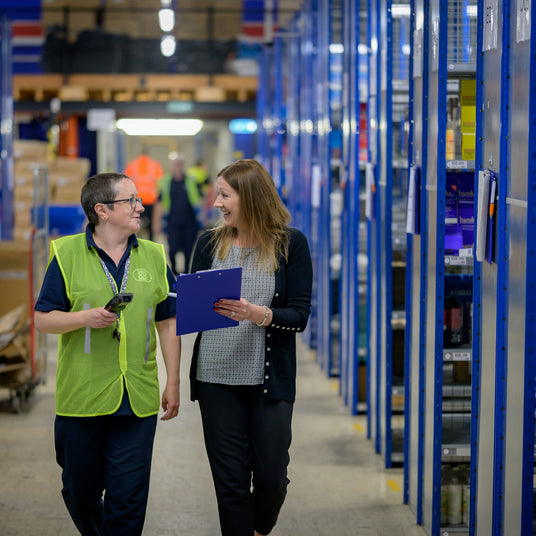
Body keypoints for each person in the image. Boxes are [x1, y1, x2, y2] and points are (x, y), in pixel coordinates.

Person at [34, 172, 181, 536]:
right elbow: (42, 319)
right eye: (131, 200)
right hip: (82, 396)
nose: (140, 206)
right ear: (102, 210)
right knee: (79, 491)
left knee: (128, 499)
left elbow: (167, 321)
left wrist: (173, 381)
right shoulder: (66, 254)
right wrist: (84, 318)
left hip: (137, 397)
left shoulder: (153, 255)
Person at [188, 159, 313, 536]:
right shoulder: (209, 243)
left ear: (251, 197)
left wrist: (255, 313)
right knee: (231, 483)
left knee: (272, 478)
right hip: (215, 378)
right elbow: (194, 311)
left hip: (268, 382)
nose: (216, 203)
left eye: (224, 195)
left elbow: (299, 316)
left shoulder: (291, 244)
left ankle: (259, 528)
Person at [166, 156, 201, 274]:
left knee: (188, 250)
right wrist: (157, 222)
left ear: (183, 166)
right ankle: (174, 269)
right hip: (172, 222)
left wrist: (203, 219)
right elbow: (160, 203)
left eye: (179, 164)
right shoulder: (167, 182)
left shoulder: (191, 181)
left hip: (189, 222)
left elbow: (200, 200)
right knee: (172, 249)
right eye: (175, 165)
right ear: (171, 167)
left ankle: (185, 274)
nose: (177, 167)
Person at [123, 147, 164, 240]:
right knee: (151, 225)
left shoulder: (132, 164)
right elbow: (160, 182)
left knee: (135, 222)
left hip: (137, 200)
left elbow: (125, 182)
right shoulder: (154, 164)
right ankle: (150, 241)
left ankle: (135, 241)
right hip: (151, 199)